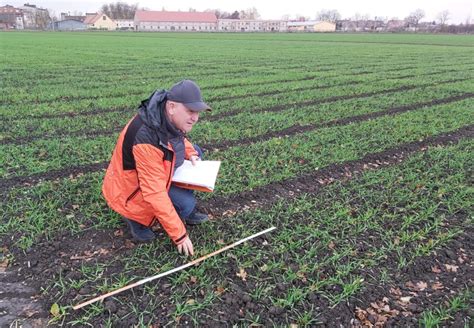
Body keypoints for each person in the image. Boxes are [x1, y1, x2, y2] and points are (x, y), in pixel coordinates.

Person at [102, 80, 211, 256]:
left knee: (196, 153)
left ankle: (184, 210)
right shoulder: (146, 138)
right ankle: (134, 218)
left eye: (197, 112)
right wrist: (180, 236)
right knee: (185, 204)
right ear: (172, 106)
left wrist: (190, 153)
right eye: (190, 111)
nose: (195, 118)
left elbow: (177, 138)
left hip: (155, 171)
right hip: (131, 191)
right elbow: (154, 192)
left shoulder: (165, 116)